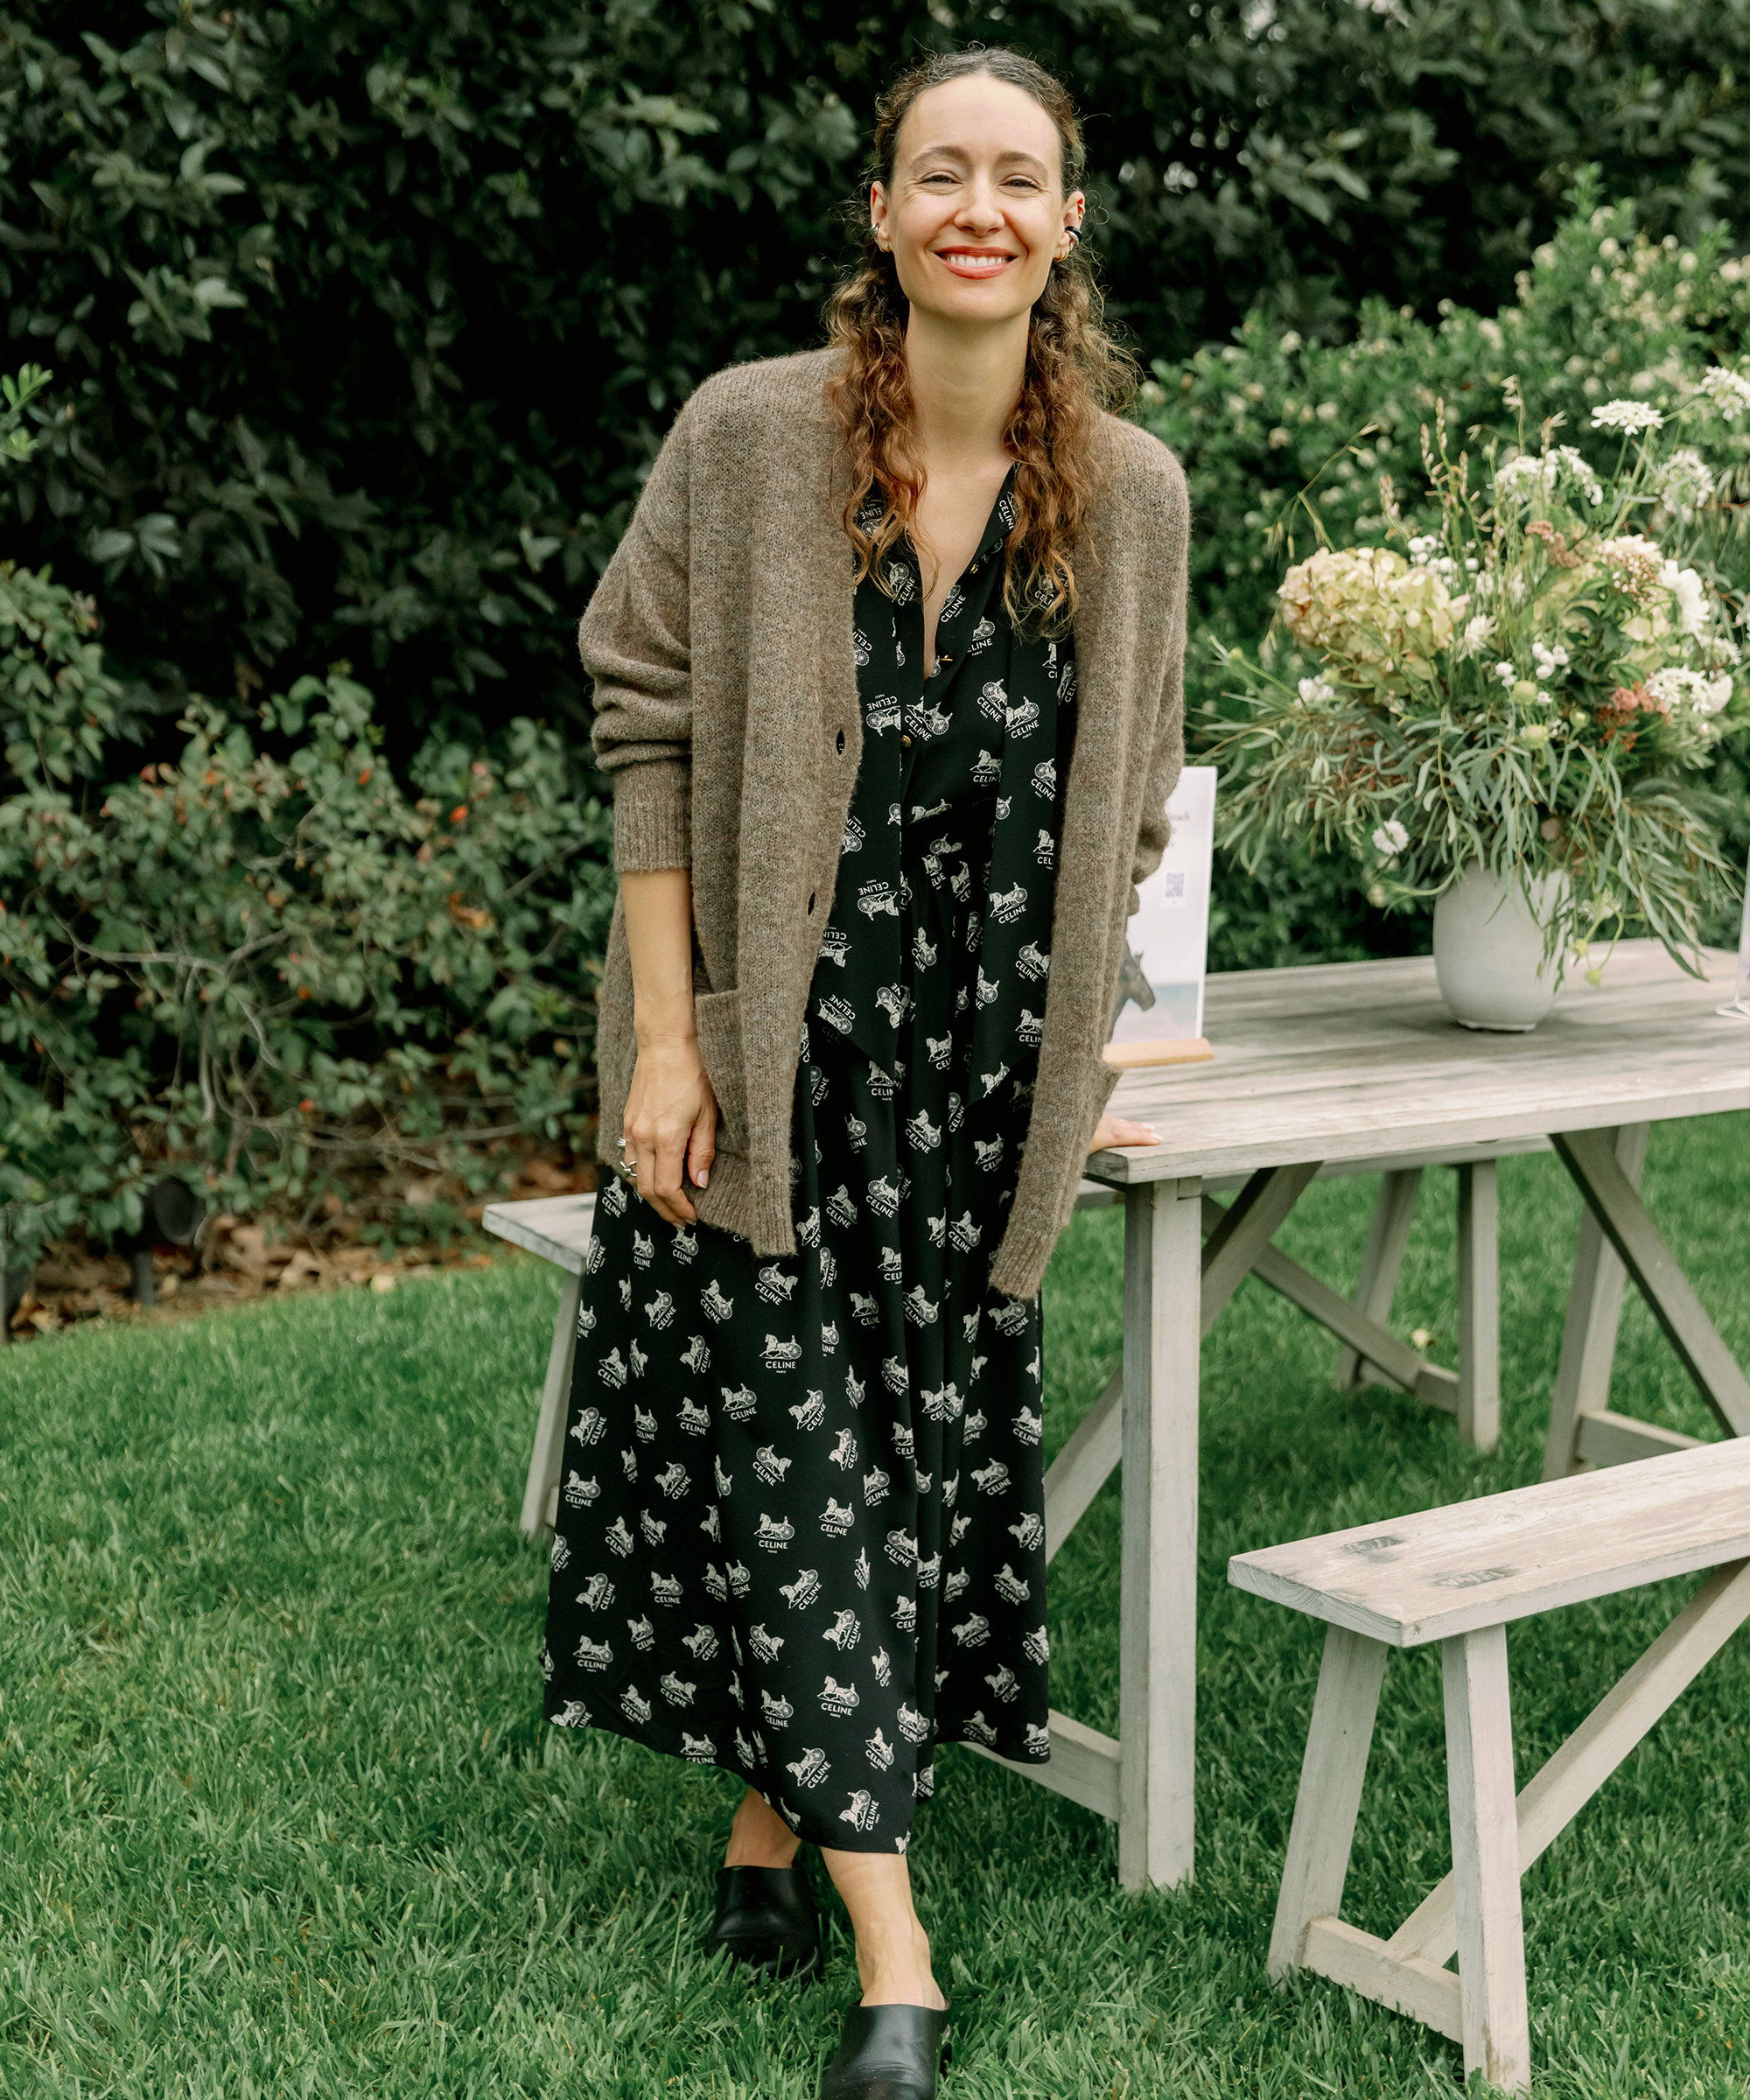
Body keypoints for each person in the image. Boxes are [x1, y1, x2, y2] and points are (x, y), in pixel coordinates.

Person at [541, 46, 1187, 2100]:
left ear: (1065, 222)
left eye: (1020, 177)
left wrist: (1084, 1062)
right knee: (797, 1457)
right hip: (761, 1071)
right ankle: (895, 1962)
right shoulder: (749, 441)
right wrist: (667, 1037)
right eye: (940, 173)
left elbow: (1133, 817)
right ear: (884, 215)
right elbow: (641, 717)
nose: (978, 206)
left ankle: (764, 1824)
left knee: (877, 1472)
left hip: (980, 1089)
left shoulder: (1138, 495)